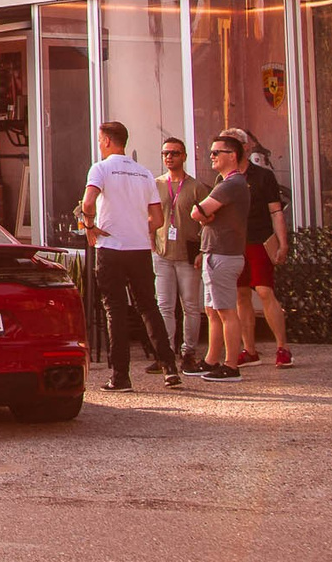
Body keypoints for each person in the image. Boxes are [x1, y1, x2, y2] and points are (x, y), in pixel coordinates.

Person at [78, 121, 181, 391]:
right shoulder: (144, 172)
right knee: (148, 305)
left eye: (100, 140)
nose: (99, 144)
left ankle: (121, 375)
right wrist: (136, 225)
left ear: (108, 141)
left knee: (115, 310)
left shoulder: (100, 169)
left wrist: (89, 226)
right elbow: (157, 218)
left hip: (110, 248)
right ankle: (169, 367)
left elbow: (88, 202)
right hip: (138, 248)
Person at [190, 134, 254, 380]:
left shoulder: (232, 184)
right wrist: (205, 215)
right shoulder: (225, 182)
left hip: (223, 255)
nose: (212, 156)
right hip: (214, 253)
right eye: (211, 152)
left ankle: (231, 365)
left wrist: (204, 215)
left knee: (226, 311)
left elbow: (198, 212)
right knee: (213, 310)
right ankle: (211, 360)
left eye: (217, 152)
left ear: (233, 156)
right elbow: (203, 213)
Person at [238, 132, 294, 368]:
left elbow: (276, 211)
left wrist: (282, 243)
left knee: (264, 291)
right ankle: (249, 350)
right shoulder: (224, 179)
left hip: (259, 241)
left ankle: (282, 347)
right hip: (234, 244)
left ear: (246, 147)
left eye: (236, 145)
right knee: (241, 295)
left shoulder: (263, 176)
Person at [152, 137, 206, 371]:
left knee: (190, 306)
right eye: (165, 153)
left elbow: (208, 221)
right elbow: (149, 215)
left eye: (174, 153)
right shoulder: (156, 184)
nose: (169, 157)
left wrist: (202, 250)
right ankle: (166, 354)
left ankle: (188, 352)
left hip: (187, 253)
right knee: (164, 305)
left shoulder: (196, 187)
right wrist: (150, 242)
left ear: (184, 156)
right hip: (162, 253)